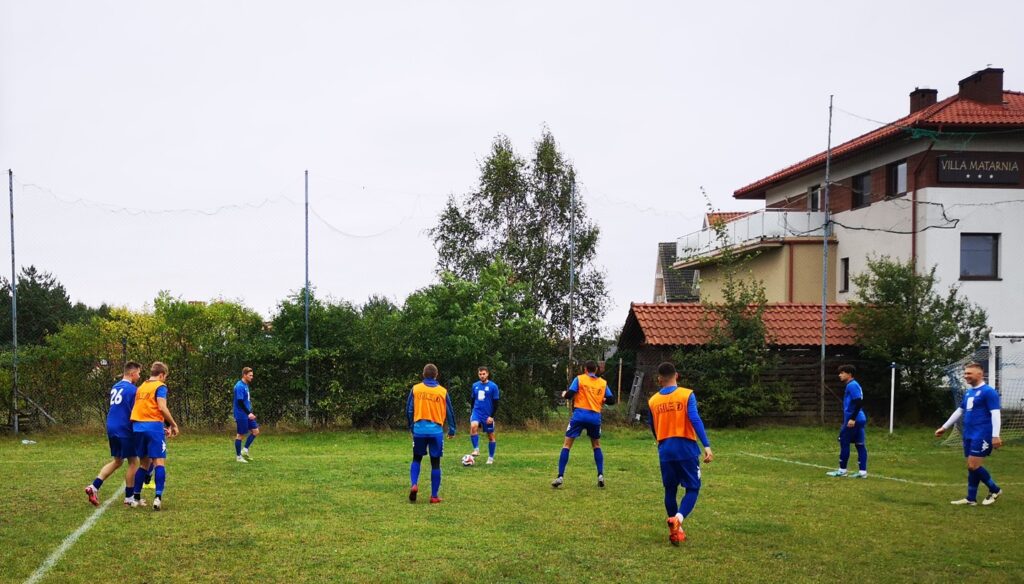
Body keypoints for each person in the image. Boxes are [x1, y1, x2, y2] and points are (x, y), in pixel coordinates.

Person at [647, 362, 712, 545]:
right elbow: (695, 418)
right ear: (677, 375)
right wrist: (706, 445)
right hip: (686, 448)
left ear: (659, 379)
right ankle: (679, 519)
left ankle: (677, 530)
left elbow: (653, 427)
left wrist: (661, 443)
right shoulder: (686, 395)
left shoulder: (653, 401)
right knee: (693, 488)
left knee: (670, 489)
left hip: (665, 449)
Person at [935, 362, 1003, 506]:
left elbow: (995, 414)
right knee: (971, 466)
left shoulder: (989, 392)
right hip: (969, 434)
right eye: (965, 373)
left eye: (969, 373)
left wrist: (995, 435)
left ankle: (995, 489)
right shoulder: (969, 392)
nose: (966, 376)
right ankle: (971, 499)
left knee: (973, 466)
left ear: (980, 374)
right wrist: (944, 427)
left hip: (982, 434)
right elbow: (960, 411)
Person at [85, 361, 143, 507]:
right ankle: (129, 497)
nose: (139, 376)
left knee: (117, 461)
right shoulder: (133, 390)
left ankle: (94, 486)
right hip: (124, 428)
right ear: (132, 373)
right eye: (138, 373)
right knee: (134, 462)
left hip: (112, 426)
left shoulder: (115, 386)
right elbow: (136, 412)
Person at [552, 360, 616, 488]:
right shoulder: (602, 383)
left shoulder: (580, 379)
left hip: (579, 416)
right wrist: (602, 399)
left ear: (585, 369)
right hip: (594, 417)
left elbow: (570, 394)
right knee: (596, 445)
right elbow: (611, 400)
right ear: (596, 370)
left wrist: (564, 394)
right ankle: (600, 475)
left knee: (567, 445)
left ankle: (560, 476)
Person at [129, 361, 180, 511]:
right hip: (153, 428)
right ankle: (157, 498)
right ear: (162, 375)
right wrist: (173, 424)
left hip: (138, 427)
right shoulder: (160, 386)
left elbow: (145, 408)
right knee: (159, 462)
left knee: (144, 464)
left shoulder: (141, 387)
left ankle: (136, 498)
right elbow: (162, 407)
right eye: (165, 377)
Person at [407, 363, 456, 504]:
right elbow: (450, 412)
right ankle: (434, 496)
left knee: (416, 458)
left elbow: (409, 410)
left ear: (423, 374)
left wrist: (411, 426)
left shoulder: (416, 389)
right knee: (435, 463)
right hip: (436, 431)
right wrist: (452, 429)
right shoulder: (442, 391)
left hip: (419, 430)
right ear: (436, 375)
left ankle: (414, 484)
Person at [826, 364, 868, 478]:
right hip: (860, 418)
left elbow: (859, 402)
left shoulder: (851, 385)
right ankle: (863, 472)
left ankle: (842, 470)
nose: (839, 375)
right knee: (860, 444)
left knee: (844, 442)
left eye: (842, 373)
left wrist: (852, 418)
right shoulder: (854, 385)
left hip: (853, 419)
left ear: (849, 374)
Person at [469, 366, 500, 464]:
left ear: (487, 374)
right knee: (473, 426)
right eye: (480, 374)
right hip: (477, 412)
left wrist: (491, 416)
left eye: (483, 374)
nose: (482, 376)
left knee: (490, 436)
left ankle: (490, 458)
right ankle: (476, 449)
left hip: (487, 415)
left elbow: (496, 403)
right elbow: (472, 400)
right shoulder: (475, 385)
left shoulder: (493, 386)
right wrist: (472, 412)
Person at [233, 367, 260, 463]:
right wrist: (248, 413)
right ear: (244, 375)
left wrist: (249, 412)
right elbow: (240, 402)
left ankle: (245, 450)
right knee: (240, 435)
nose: (252, 377)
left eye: (252, 375)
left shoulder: (245, 385)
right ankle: (238, 457)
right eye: (250, 375)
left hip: (247, 413)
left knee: (255, 431)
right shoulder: (239, 386)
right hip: (241, 414)